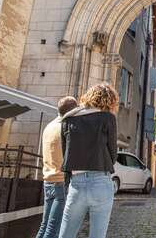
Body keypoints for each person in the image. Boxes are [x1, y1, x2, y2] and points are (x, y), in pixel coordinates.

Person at [58, 83, 118, 238]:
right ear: (110, 101)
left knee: (66, 234)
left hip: (76, 183)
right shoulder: (108, 118)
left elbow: (66, 155)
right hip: (101, 181)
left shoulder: (68, 120)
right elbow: (113, 155)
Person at [36, 96, 78, 238]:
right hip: (61, 182)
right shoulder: (65, 128)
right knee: (53, 229)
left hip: (48, 180)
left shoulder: (49, 126)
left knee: (44, 226)